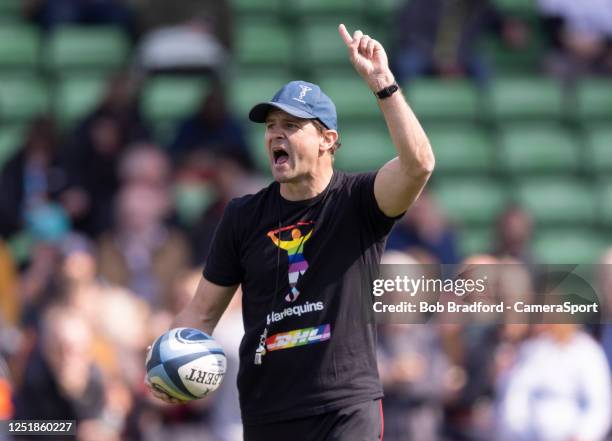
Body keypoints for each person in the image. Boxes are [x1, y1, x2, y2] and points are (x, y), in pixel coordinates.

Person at [146, 23, 435, 441]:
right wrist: (165, 356)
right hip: (268, 414)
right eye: (270, 126)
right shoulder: (243, 216)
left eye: (292, 125)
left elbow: (419, 165)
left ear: (327, 140)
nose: (276, 134)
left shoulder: (360, 201)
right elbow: (202, 312)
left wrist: (383, 85)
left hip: (344, 408)